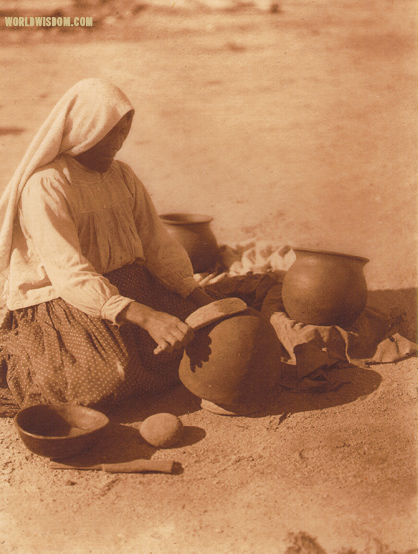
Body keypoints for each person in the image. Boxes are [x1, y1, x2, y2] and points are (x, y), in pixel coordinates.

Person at [0, 78, 214, 410]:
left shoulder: (124, 176)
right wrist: (147, 317)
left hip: (127, 286)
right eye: (111, 132)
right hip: (67, 298)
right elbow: (70, 275)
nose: (119, 142)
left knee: (194, 337)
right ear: (85, 130)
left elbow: (157, 244)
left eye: (124, 132)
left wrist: (200, 298)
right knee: (108, 375)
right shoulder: (46, 185)